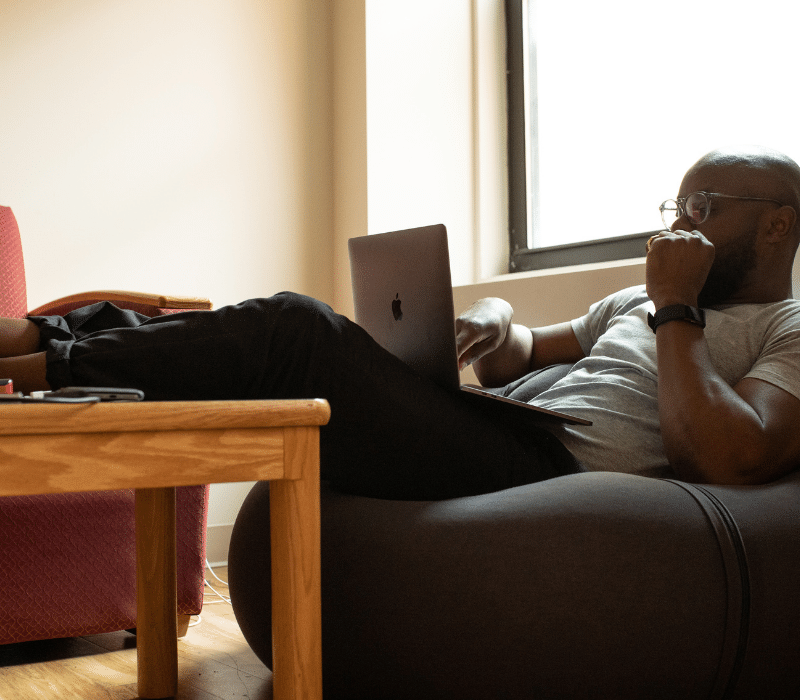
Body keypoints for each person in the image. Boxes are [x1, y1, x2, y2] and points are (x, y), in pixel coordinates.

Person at [2, 145, 800, 498]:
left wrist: (677, 308)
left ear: (776, 226)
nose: (677, 226)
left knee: (299, 329)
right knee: (282, 337)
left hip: (547, 468)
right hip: (499, 425)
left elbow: (731, 458)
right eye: (676, 205)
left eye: (703, 208)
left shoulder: (782, 328)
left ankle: (39, 358)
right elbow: (511, 361)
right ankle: (51, 349)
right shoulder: (638, 299)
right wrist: (497, 317)